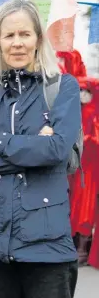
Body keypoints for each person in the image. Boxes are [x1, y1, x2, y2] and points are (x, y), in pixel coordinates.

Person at [0, 0, 81, 298]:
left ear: (38, 39)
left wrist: (0, 143)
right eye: (9, 35)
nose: (17, 43)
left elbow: (57, 151)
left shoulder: (63, 87)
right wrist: (36, 150)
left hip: (47, 245)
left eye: (24, 34)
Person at [57, 50, 99, 266]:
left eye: (85, 90)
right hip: (72, 168)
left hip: (89, 171)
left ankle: (82, 248)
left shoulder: (94, 113)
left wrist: (86, 138)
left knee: (85, 209)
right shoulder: (75, 109)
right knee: (71, 207)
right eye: (79, 90)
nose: (82, 94)